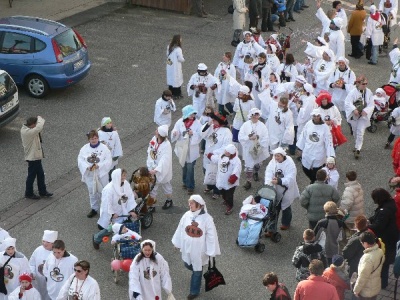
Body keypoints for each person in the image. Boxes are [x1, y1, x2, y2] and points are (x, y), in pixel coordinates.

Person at [172, 195, 221, 300]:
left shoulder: (207, 219)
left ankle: (194, 291)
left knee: (197, 269)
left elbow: (211, 235)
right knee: (188, 264)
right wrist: (177, 243)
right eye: (189, 203)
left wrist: (211, 251)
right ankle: (197, 272)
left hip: (199, 251)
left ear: (199, 205)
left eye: (192, 203)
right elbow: (180, 228)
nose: (189, 205)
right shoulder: (187, 215)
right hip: (187, 248)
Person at [93, 168, 138, 249]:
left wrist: (131, 210)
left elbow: (130, 196)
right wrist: (112, 214)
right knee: (109, 229)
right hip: (114, 214)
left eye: (125, 175)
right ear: (116, 176)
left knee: (123, 228)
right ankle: (96, 238)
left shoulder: (126, 184)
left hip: (123, 212)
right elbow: (106, 204)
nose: (124, 177)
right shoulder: (109, 189)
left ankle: (122, 242)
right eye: (122, 175)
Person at [368, 188, 399, 289]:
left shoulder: (384, 210)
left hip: (386, 239)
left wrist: (366, 226)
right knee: (386, 261)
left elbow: (379, 226)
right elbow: (378, 217)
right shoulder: (389, 204)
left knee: (384, 262)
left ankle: (383, 283)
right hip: (392, 236)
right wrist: (370, 219)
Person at [78, 129, 112, 218]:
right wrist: (87, 167)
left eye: (96, 138)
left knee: (103, 191)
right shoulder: (84, 149)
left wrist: (99, 165)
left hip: (101, 174)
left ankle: (105, 209)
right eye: (92, 139)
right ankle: (94, 208)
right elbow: (80, 160)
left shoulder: (104, 148)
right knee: (92, 192)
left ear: (98, 138)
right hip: (90, 174)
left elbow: (108, 160)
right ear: (89, 139)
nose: (94, 140)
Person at [265, 147, 299, 233]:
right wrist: (269, 182)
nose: (276, 158)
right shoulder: (273, 162)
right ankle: (271, 228)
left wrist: (280, 181)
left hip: (285, 190)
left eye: (278, 156)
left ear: (283, 156)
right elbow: (268, 172)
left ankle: (286, 223)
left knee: (286, 207)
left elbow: (291, 178)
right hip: (274, 190)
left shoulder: (289, 163)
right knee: (273, 209)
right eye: (275, 156)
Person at [296, 109, 335, 183]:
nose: (316, 117)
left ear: (320, 116)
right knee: (305, 168)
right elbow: (303, 136)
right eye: (314, 116)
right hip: (308, 151)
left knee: (317, 171)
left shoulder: (325, 127)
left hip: (319, 153)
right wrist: (300, 148)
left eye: (318, 116)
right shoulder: (308, 124)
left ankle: (314, 182)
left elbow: (328, 142)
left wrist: (330, 156)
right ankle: (314, 181)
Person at [171, 105, 202, 196]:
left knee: (190, 168)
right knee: (183, 166)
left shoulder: (197, 123)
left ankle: (190, 186)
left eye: (193, 114)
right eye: (190, 114)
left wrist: (193, 134)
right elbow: (175, 131)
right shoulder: (180, 122)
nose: (192, 116)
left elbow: (200, 135)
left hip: (192, 149)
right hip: (182, 148)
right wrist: (175, 133)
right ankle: (185, 181)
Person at [20, 116, 53, 199]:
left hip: (36, 157)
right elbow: (39, 127)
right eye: (36, 124)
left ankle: (42, 191)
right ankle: (29, 193)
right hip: (32, 158)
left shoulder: (30, 130)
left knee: (40, 175)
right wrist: (40, 119)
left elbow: (39, 129)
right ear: (33, 124)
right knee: (31, 176)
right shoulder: (27, 132)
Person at [202, 112, 232, 199]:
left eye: (214, 120)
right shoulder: (210, 127)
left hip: (217, 156)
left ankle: (216, 191)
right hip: (207, 155)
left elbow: (226, 146)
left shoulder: (226, 132)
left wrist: (214, 153)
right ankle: (209, 186)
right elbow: (203, 135)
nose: (212, 121)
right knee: (206, 170)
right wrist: (208, 125)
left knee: (216, 173)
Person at [239, 108, 269, 190]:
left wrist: (259, 143)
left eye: (257, 115)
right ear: (251, 115)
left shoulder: (262, 126)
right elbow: (240, 136)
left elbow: (266, 137)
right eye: (254, 115)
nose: (256, 117)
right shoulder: (245, 125)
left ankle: (256, 172)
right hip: (248, 149)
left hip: (259, 149)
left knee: (257, 164)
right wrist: (248, 137)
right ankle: (249, 181)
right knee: (249, 165)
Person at [344, 75, 374, 159]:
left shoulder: (368, 92)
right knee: (354, 131)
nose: (365, 85)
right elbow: (347, 102)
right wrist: (354, 109)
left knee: (360, 132)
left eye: (366, 84)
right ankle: (356, 144)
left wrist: (366, 111)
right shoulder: (352, 92)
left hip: (363, 116)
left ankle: (358, 149)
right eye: (363, 84)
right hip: (354, 116)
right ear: (358, 83)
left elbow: (372, 104)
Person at [209, 144, 242, 215]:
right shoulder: (222, 156)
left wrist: (233, 178)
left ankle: (230, 206)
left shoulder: (236, 161)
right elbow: (217, 159)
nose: (225, 152)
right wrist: (210, 156)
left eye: (227, 151)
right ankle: (225, 200)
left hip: (230, 183)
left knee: (229, 195)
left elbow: (237, 170)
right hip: (221, 180)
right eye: (226, 151)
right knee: (222, 192)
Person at [147, 125, 174, 209]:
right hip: (152, 168)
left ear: (159, 134)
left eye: (156, 130)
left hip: (162, 170)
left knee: (166, 186)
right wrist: (151, 165)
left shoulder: (167, 145)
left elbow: (165, 160)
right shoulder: (154, 139)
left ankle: (169, 200)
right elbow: (150, 151)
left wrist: (156, 169)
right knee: (152, 188)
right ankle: (152, 205)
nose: (155, 131)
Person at [353, 231, 385, 299]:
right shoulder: (380, 251)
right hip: (375, 286)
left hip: (367, 291)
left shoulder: (367, 258)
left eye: (362, 243)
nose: (362, 244)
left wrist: (356, 290)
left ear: (366, 243)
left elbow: (362, 277)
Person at [29, 230, 58, 300]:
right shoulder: (38, 250)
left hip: (50, 283)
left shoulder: (57, 254)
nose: (45, 244)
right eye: (43, 241)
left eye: (48, 242)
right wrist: (32, 273)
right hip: (38, 281)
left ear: (53, 243)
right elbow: (31, 263)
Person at [342, 215, 369, 281]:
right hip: (365, 262)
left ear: (356, 225)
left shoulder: (355, 239)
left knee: (353, 281)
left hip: (355, 264)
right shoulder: (369, 234)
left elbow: (345, 253)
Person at [166, 34, 185, 99]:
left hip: (170, 64)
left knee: (171, 78)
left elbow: (167, 54)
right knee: (177, 78)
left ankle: (171, 92)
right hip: (176, 66)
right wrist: (183, 59)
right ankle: (177, 93)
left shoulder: (169, 46)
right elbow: (180, 58)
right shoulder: (178, 49)